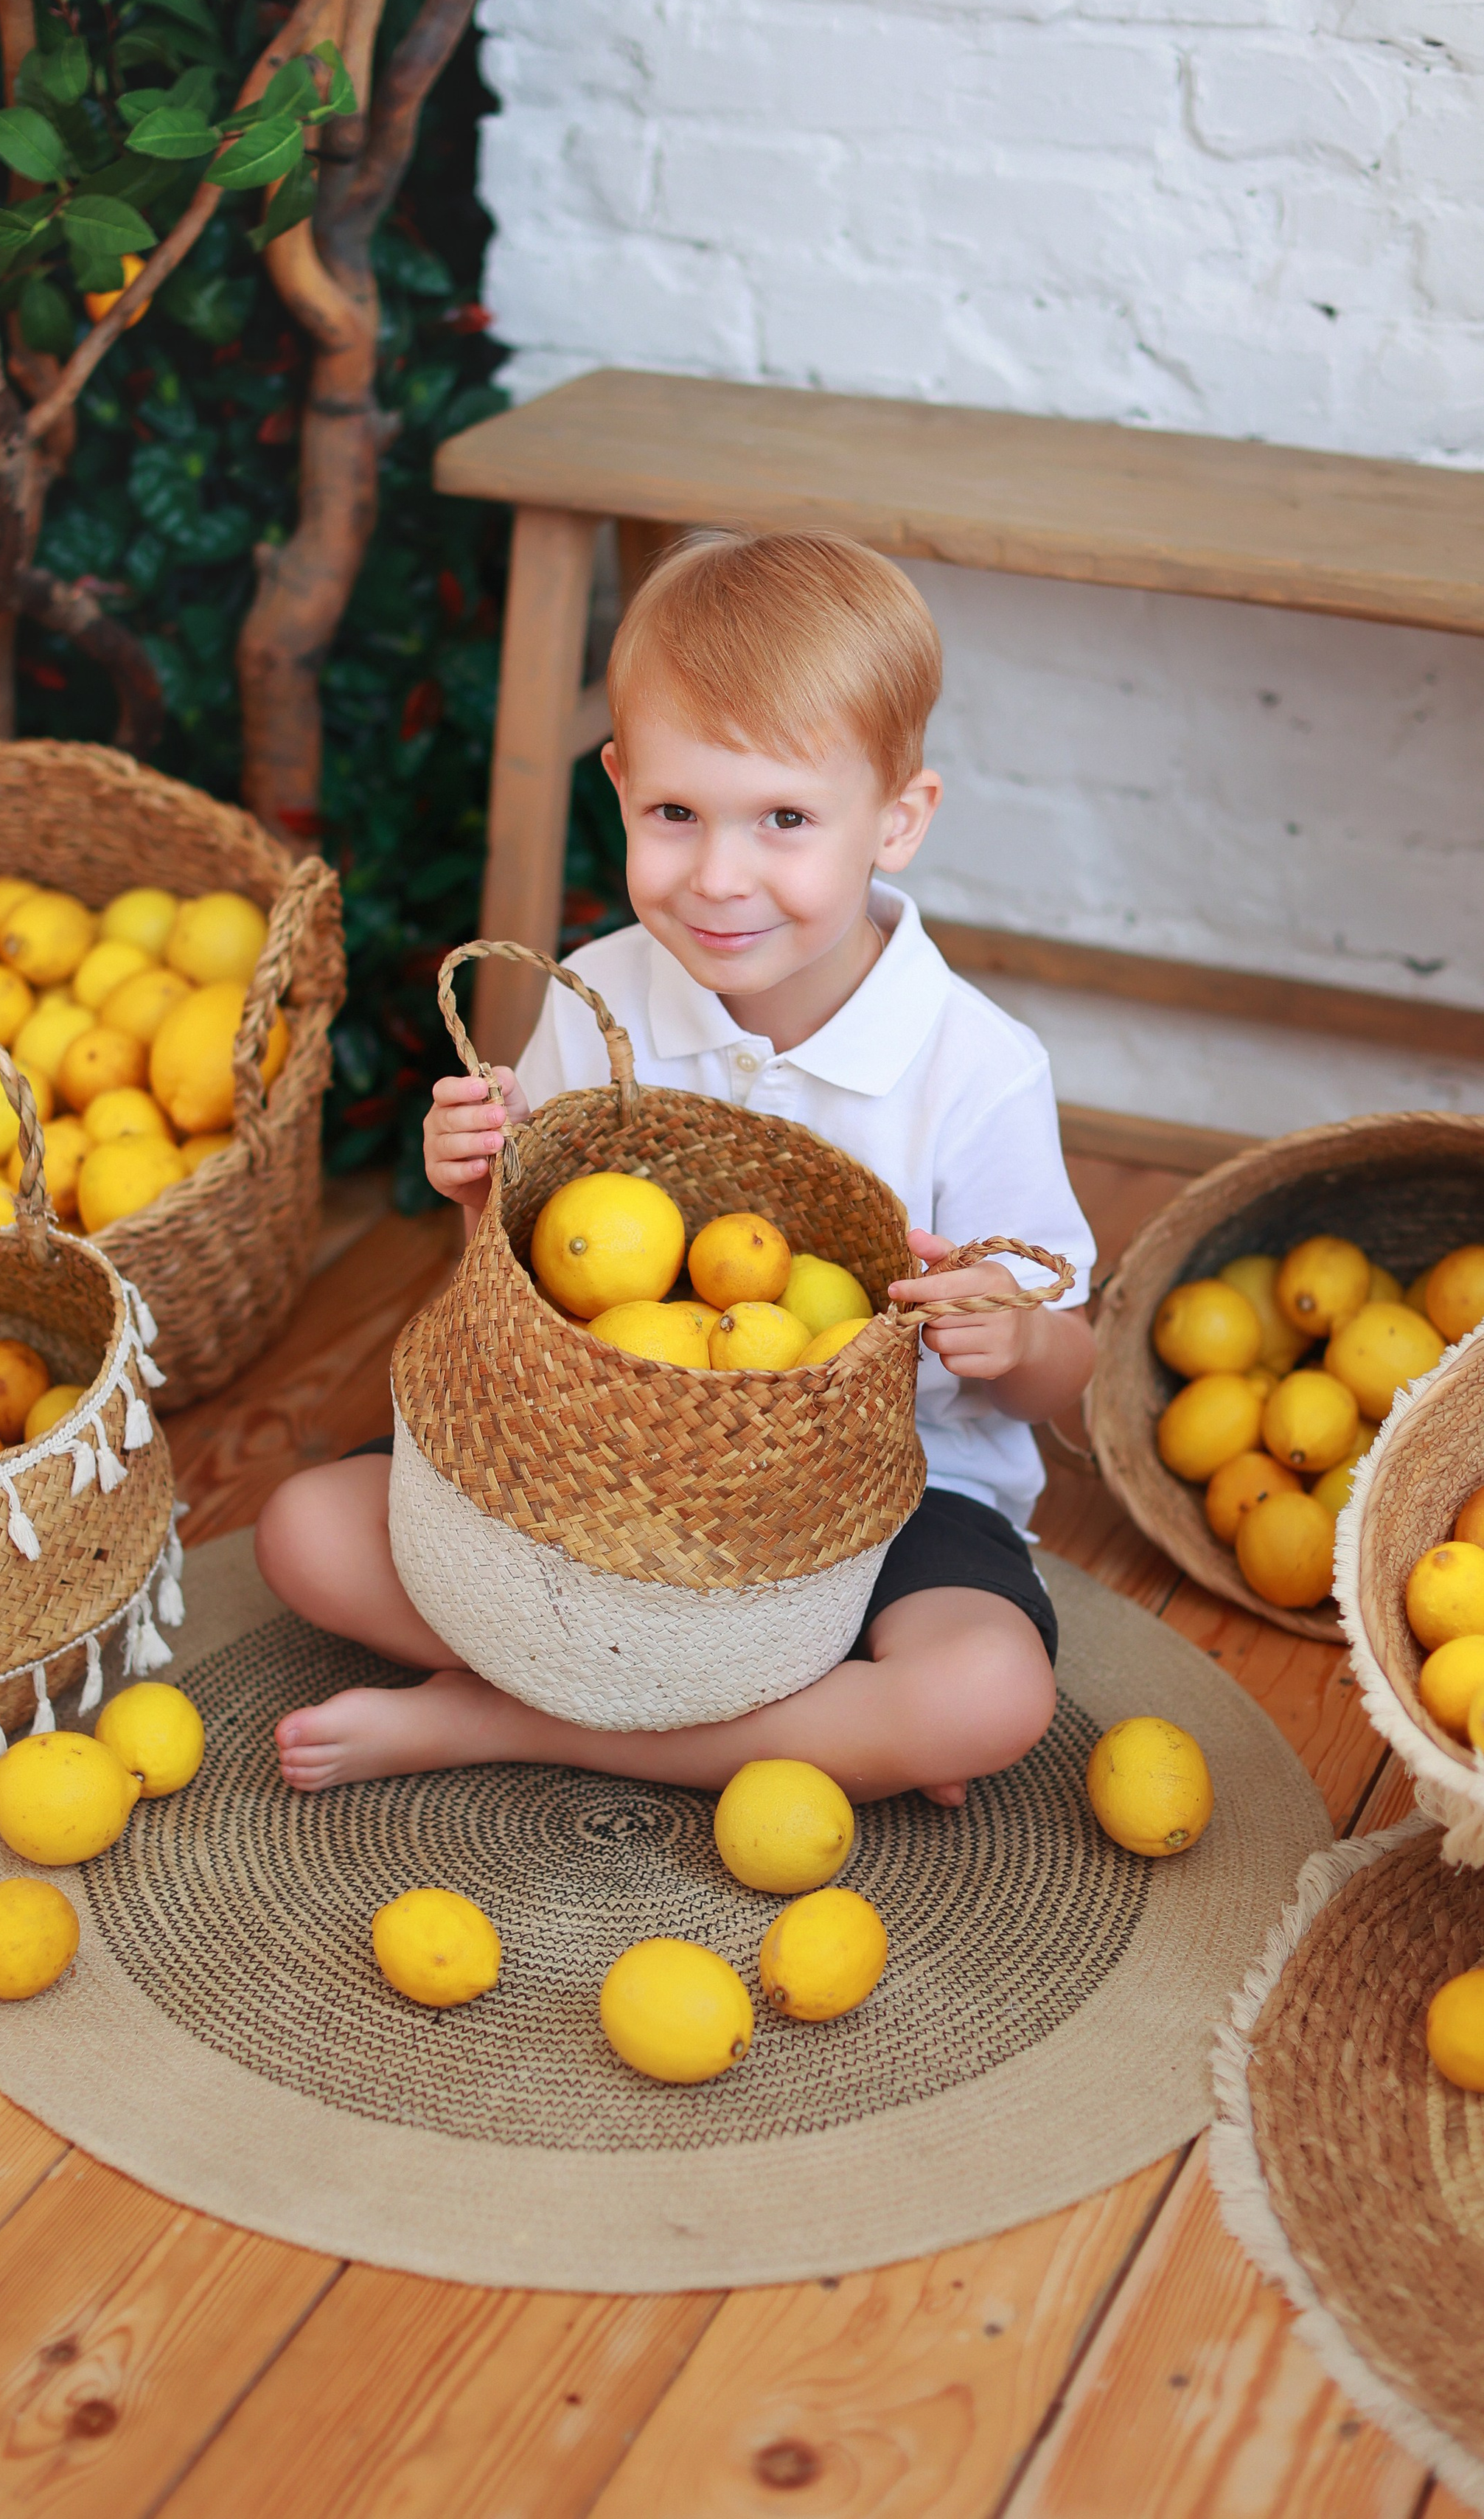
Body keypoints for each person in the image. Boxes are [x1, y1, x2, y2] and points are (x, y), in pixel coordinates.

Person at [258, 529, 1098, 1805]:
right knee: (306, 1532)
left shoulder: (976, 1066)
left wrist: (1014, 1342)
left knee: (988, 1690)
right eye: (675, 814)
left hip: (883, 1497)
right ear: (620, 785)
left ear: (899, 819)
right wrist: (482, 1191)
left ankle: (514, 1717)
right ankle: (796, 1731)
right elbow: (542, 1280)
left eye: (786, 820)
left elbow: (1065, 1364)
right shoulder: (600, 991)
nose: (719, 877)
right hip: (593, 1469)